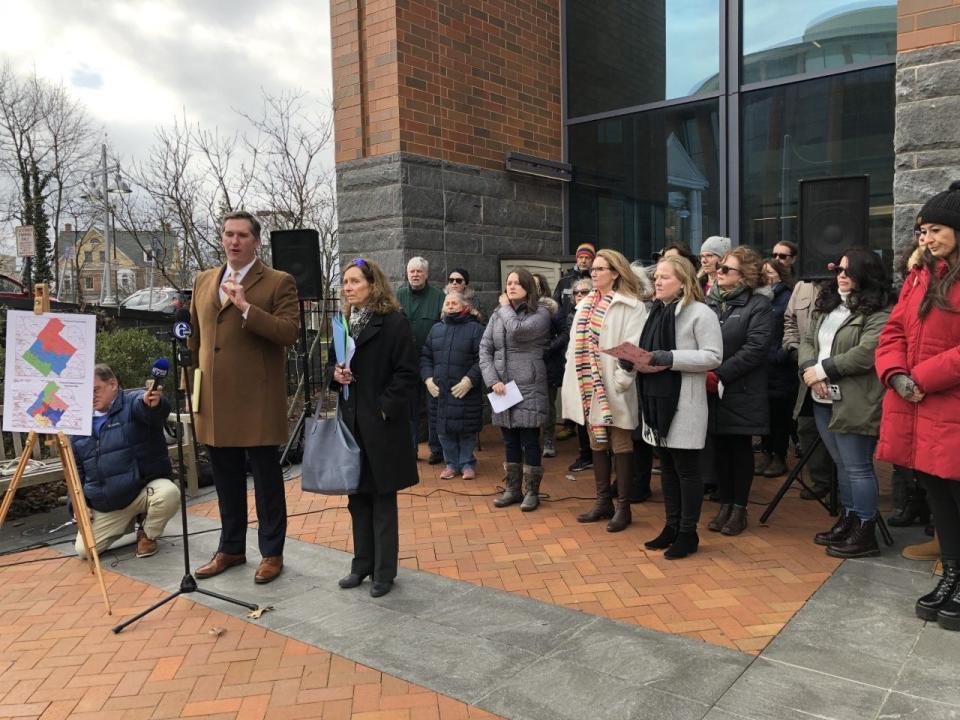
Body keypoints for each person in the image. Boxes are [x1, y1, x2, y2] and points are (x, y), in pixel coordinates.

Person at [190, 210, 299, 584]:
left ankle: (272, 553)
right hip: (216, 401)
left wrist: (246, 308)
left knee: (267, 482)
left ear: (255, 240)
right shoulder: (204, 280)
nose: (233, 241)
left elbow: (288, 332)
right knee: (226, 481)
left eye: (241, 235)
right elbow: (196, 337)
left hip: (256, 401)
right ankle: (231, 548)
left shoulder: (277, 281)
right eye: (227, 234)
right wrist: (194, 384)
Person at [876, 181, 960, 628]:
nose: (924, 238)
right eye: (922, 230)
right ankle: (952, 573)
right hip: (919, 406)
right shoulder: (918, 277)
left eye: (934, 229)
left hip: (948, 404)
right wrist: (896, 374)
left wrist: (921, 378)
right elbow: (893, 332)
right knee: (939, 496)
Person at [332, 258, 420, 597]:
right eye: (345, 282)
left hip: (381, 426)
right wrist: (335, 375)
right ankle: (361, 565)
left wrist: (385, 409)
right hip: (352, 423)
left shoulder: (393, 322)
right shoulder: (343, 321)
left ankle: (384, 571)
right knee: (357, 499)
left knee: (382, 500)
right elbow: (333, 362)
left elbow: (407, 372)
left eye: (354, 281)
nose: (348, 287)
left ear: (373, 285)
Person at [797, 247, 891, 558]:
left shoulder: (878, 312)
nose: (842, 275)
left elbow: (866, 353)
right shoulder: (829, 305)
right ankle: (849, 520)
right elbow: (808, 339)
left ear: (866, 274)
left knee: (858, 467)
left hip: (856, 400)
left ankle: (865, 531)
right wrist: (810, 371)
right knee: (842, 465)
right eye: (839, 269)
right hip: (821, 395)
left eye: (849, 271)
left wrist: (822, 370)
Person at [634, 256, 722, 558]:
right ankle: (671, 526)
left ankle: (688, 532)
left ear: (684, 281)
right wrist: (632, 360)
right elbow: (649, 351)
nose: (657, 281)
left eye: (664, 277)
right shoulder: (656, 311)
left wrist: (670, 357)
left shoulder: (701, 313)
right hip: (657, 401)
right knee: (668, 468)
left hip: (685, 401)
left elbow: (713, 357)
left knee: (686, 470)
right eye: (656, 277)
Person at [560, 249, 647, 532]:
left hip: (614, 383)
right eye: (593, 269)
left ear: (615, 272)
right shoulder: (584, 304)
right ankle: (602, 502)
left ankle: (624, 507)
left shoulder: (631, 305)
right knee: (596, 443)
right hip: (587, 384)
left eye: (600, 269)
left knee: (621, 443)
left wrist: (623, 379)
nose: (593, 273)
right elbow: (574, 343)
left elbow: (634, 348)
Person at [71, 364, 179, 560]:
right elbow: (75, 471)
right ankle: (127, 521)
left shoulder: (132, 402)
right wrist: (77, 504)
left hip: (141, 491)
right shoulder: (78, 424)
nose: (91, 397)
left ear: (112, 384)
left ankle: (148, 534)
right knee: (84, 551)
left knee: (168, 493)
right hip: (106, 502)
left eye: (95, 390)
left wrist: (155, 404)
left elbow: (150, 409)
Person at [705, 246, 773, 536]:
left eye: (726, 269)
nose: (718, 273)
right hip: (712, 389)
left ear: (743, 275)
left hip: (741, 389)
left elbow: (756, 348)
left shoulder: (758, 305)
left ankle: (739, 508)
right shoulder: (710, 303)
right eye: (719, 268)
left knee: (739, 449)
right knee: (719, 449)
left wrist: (720, 373)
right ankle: (724, 504)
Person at [480, 268, 551, 512]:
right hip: (502, 386)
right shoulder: (497, 314)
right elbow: (485, 349)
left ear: (527, 288)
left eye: (516, 283)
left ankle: (532, 491)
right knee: (509, 439)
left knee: (530, 439)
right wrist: (492, 379)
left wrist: (504, 308)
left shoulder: (541, 312)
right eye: (508, 283)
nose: (510, 287)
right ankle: (512, 489)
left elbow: (519, 331)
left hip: (529, 384)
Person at [783, 272, 836, 501]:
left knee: (838, 435)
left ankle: (841, 489)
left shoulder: (844, 292)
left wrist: (821, 371)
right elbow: (790, 322)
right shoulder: (801, 287)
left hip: (835, 374)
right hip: (806, 371)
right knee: (807, 426)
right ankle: (820, 481)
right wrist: (797, 353)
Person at [421, 291, 484, 480]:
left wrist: (470, 380)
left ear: (465, 306)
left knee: (466, 430)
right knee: (443, 431)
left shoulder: (475, 329)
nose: (450, 306)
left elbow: (482, 359)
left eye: (454, 302)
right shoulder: (436, 329)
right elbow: (425, 357)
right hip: (440, 392)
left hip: (465, 391)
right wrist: (428, 379)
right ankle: (451, 464)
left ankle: (466, 464)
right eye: (447, 303)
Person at [397, 256, 446, 464]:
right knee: (409, 408)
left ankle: (436, 450)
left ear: (426, 274)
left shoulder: (437, 296)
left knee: (433, 406)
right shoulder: (399, 295)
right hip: (406, 361)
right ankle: (409, 449)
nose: (415, 275)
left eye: (419, 271)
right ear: (407, 274)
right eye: (412, 271)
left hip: (432, 361)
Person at [755, 258, 797, 478]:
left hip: (780, 367)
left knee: (780, 417)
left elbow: (791, 328)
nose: (767, 276)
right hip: (762, 367)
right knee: (764, 414)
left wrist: (781, 355)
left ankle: (779, 457)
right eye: (763, 272)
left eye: (770, 272)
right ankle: (766, 453)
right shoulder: (758, 297)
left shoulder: (788, 297)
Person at [565, 278, 596, 473]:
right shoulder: (572, 315)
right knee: (581, 418)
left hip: (593, 373)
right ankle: (585, 455)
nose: (580, 296)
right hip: (576, 371)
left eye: (585, 292)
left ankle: (596, 456)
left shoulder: (595, 313)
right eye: (577, 293)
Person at [534, 272, 562, 458]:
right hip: (528, 363)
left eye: (535, 284)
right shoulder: (517, 308)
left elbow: (564, 334)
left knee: (548, 404)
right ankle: (532, 439)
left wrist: (548, 349)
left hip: (548, 362)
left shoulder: (552, 309)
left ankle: (549, 439)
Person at [553, 242, 595, 318]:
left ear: (592, 260)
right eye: (581, 257)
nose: (583, 261)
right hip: (566, 326)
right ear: (577, 259)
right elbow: (556, 306)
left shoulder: (595, 279)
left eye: (587, 258)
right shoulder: (564, 280)